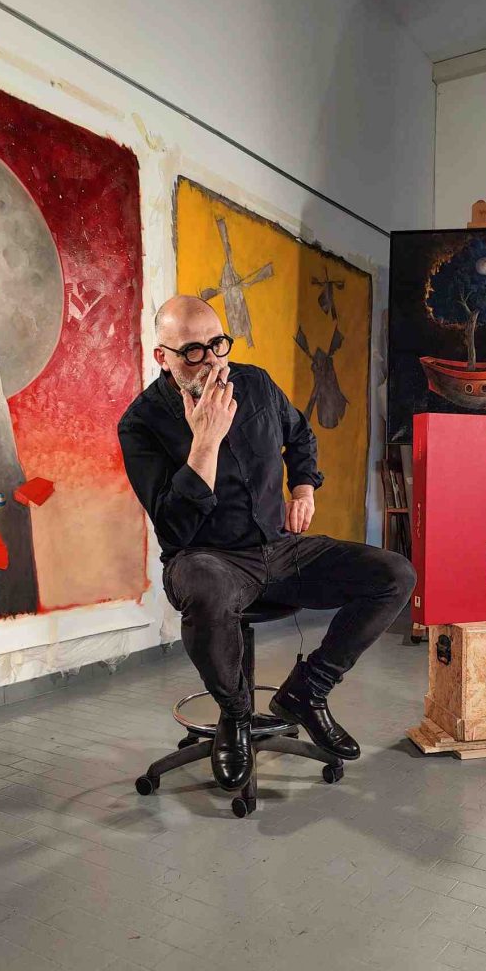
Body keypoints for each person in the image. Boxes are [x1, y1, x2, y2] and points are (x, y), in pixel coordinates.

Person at [118, 296, 416, 792]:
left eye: (217, 344)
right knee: (207, 588)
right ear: (162, 357)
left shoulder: (254, 383)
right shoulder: (140, 423)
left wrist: (304, 487)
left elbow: (300, 436)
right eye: (192, 351)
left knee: (394, 574)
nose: (211, 360)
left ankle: (307, 691)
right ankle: (235, 714)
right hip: (205, 558)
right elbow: (174, 527)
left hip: (278, 548)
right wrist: (205, 442)